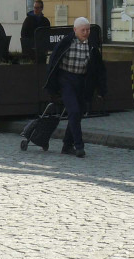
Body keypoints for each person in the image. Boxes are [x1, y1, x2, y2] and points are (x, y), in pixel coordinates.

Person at [44, 17, 107, 158]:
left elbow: (99, 70)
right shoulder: (66, 42)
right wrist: (51, 88)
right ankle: (79, 146)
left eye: (88, 30)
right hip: (66, 79)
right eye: (83, 30)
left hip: (82, 81)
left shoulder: (92, 46)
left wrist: (102, 90)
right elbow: (53, 63)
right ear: (75, 30)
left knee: (78, 113)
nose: (86, 32)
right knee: (73, 110)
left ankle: (67, 145)